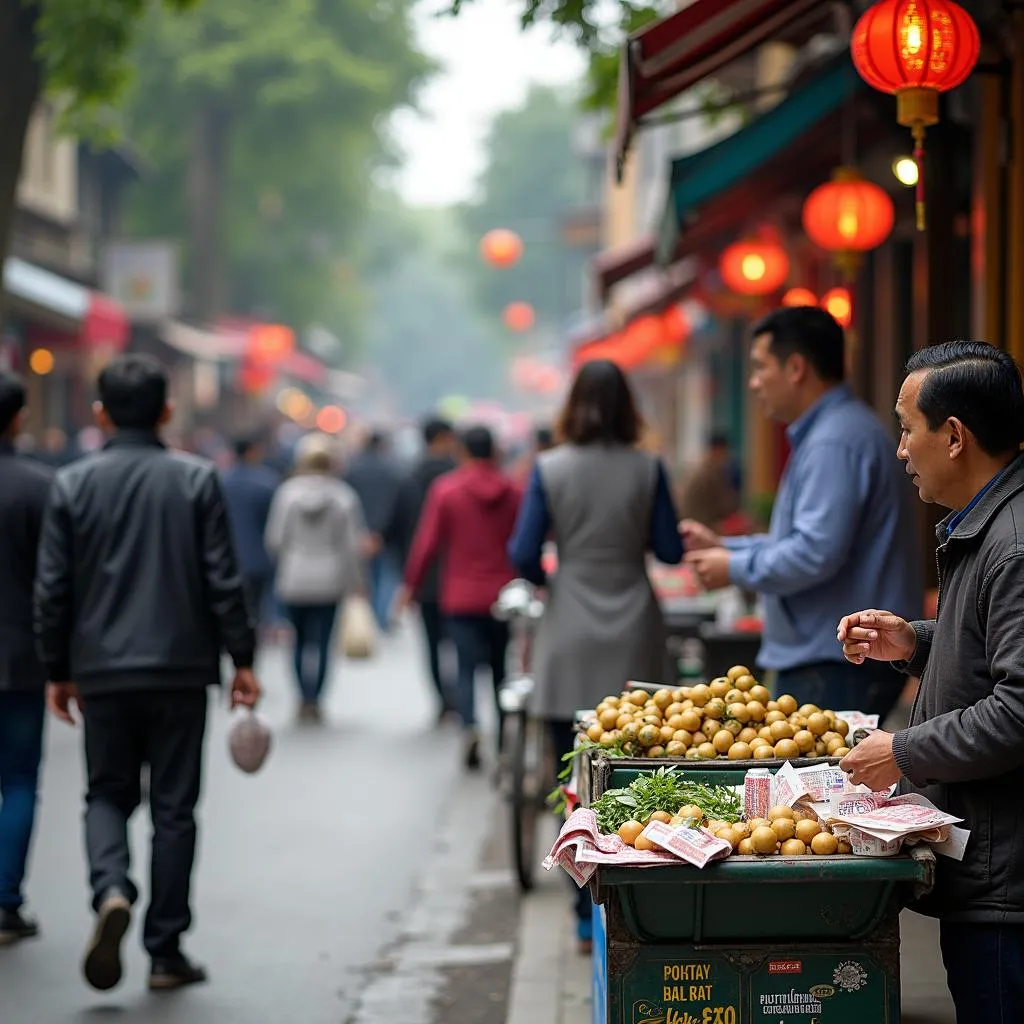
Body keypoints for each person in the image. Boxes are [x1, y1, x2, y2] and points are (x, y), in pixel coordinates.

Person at [34, 354, 260, 993]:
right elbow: (223, 579)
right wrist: (241, 658)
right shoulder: (195, 480)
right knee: (174, 810)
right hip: (182, 669)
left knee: (106, 792)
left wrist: (57, 668)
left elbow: (52, 590)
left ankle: (110, 887)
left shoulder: (72, 485)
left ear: (100, 413)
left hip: (101, 668)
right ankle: (165, 950)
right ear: (167, 410)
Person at [837, 341, 1024, 1023]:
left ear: (953, 436)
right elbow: (992, 652)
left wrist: (902, 752)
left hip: (1007, 883)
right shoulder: (992, 526)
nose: (899, 450)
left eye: (906, 428)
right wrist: (915, 642)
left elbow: (1018, 710)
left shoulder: (1013, 543)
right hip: (991, 867)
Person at [507, 359, 683, 954]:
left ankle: (584, 916)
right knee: (637, 768)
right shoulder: (648, 467)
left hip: (569, 627)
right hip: (635, 624)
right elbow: (668, 548)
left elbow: (524, 550)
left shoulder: (549, 468)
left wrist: (557, 574)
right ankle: (632, 897)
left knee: (572, 777)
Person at [683, 306, 921, 721]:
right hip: (835, 658)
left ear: (796, 368)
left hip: (837, 660)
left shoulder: (834, 441)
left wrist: (734, 566)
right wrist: (726, 547)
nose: (754, 383)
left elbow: (814, 552)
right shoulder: (833, 432)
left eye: (760, 367)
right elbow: (807, 540)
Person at [397, 426, 521, 769]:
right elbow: (526, 542)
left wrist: (411, 586)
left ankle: (469, 727)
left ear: (462, 452)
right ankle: (502, 735)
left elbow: (427, 544)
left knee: (465, 666)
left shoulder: (447, 490)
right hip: (502, 596)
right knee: (499, 668)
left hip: (461, 596)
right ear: (494, 452)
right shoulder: (513, 491)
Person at [0, 373, 53, 946]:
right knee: (17, 779)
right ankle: (4, 901)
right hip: (18, 657)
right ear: (17, 419)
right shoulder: (39, 488)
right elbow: (56, 581)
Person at [265, 434, 366, 720]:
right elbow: (352, 546)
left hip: (294, 577)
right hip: (330, 578)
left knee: (297, 640)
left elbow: (274, 539)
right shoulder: (343, 496)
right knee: (322, 641)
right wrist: (357, 581)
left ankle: (301, 696)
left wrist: (287, 561)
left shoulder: (287, 494)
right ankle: (316, 699)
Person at [405, 416, 458, 722]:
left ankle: (443, 698)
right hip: (456, 574)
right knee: (459, 645)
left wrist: (410, 579)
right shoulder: (455, 476)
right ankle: (461, 698)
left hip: (426, 576)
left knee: (432, 644)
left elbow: (409, 531)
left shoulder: (412, 475)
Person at [345, 430, 412, 632]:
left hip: (360, 532)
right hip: (387, 535)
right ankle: (382, 616)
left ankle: (372, 614)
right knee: (386, 576)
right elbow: (399, 504)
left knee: (368, 577)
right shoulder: (394, 469)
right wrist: (381, 531)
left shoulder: (352, 469)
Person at [220, 435, 279, 632]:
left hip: (226, 557)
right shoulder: (266, 483)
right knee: (256, 610)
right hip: (259, 557)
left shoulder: (221, 481)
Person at [676, 433, 740, 530]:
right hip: (702, 526)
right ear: (718, 450)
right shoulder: (711, 472)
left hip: (693, 523)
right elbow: (727, 506)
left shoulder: (701, 468)